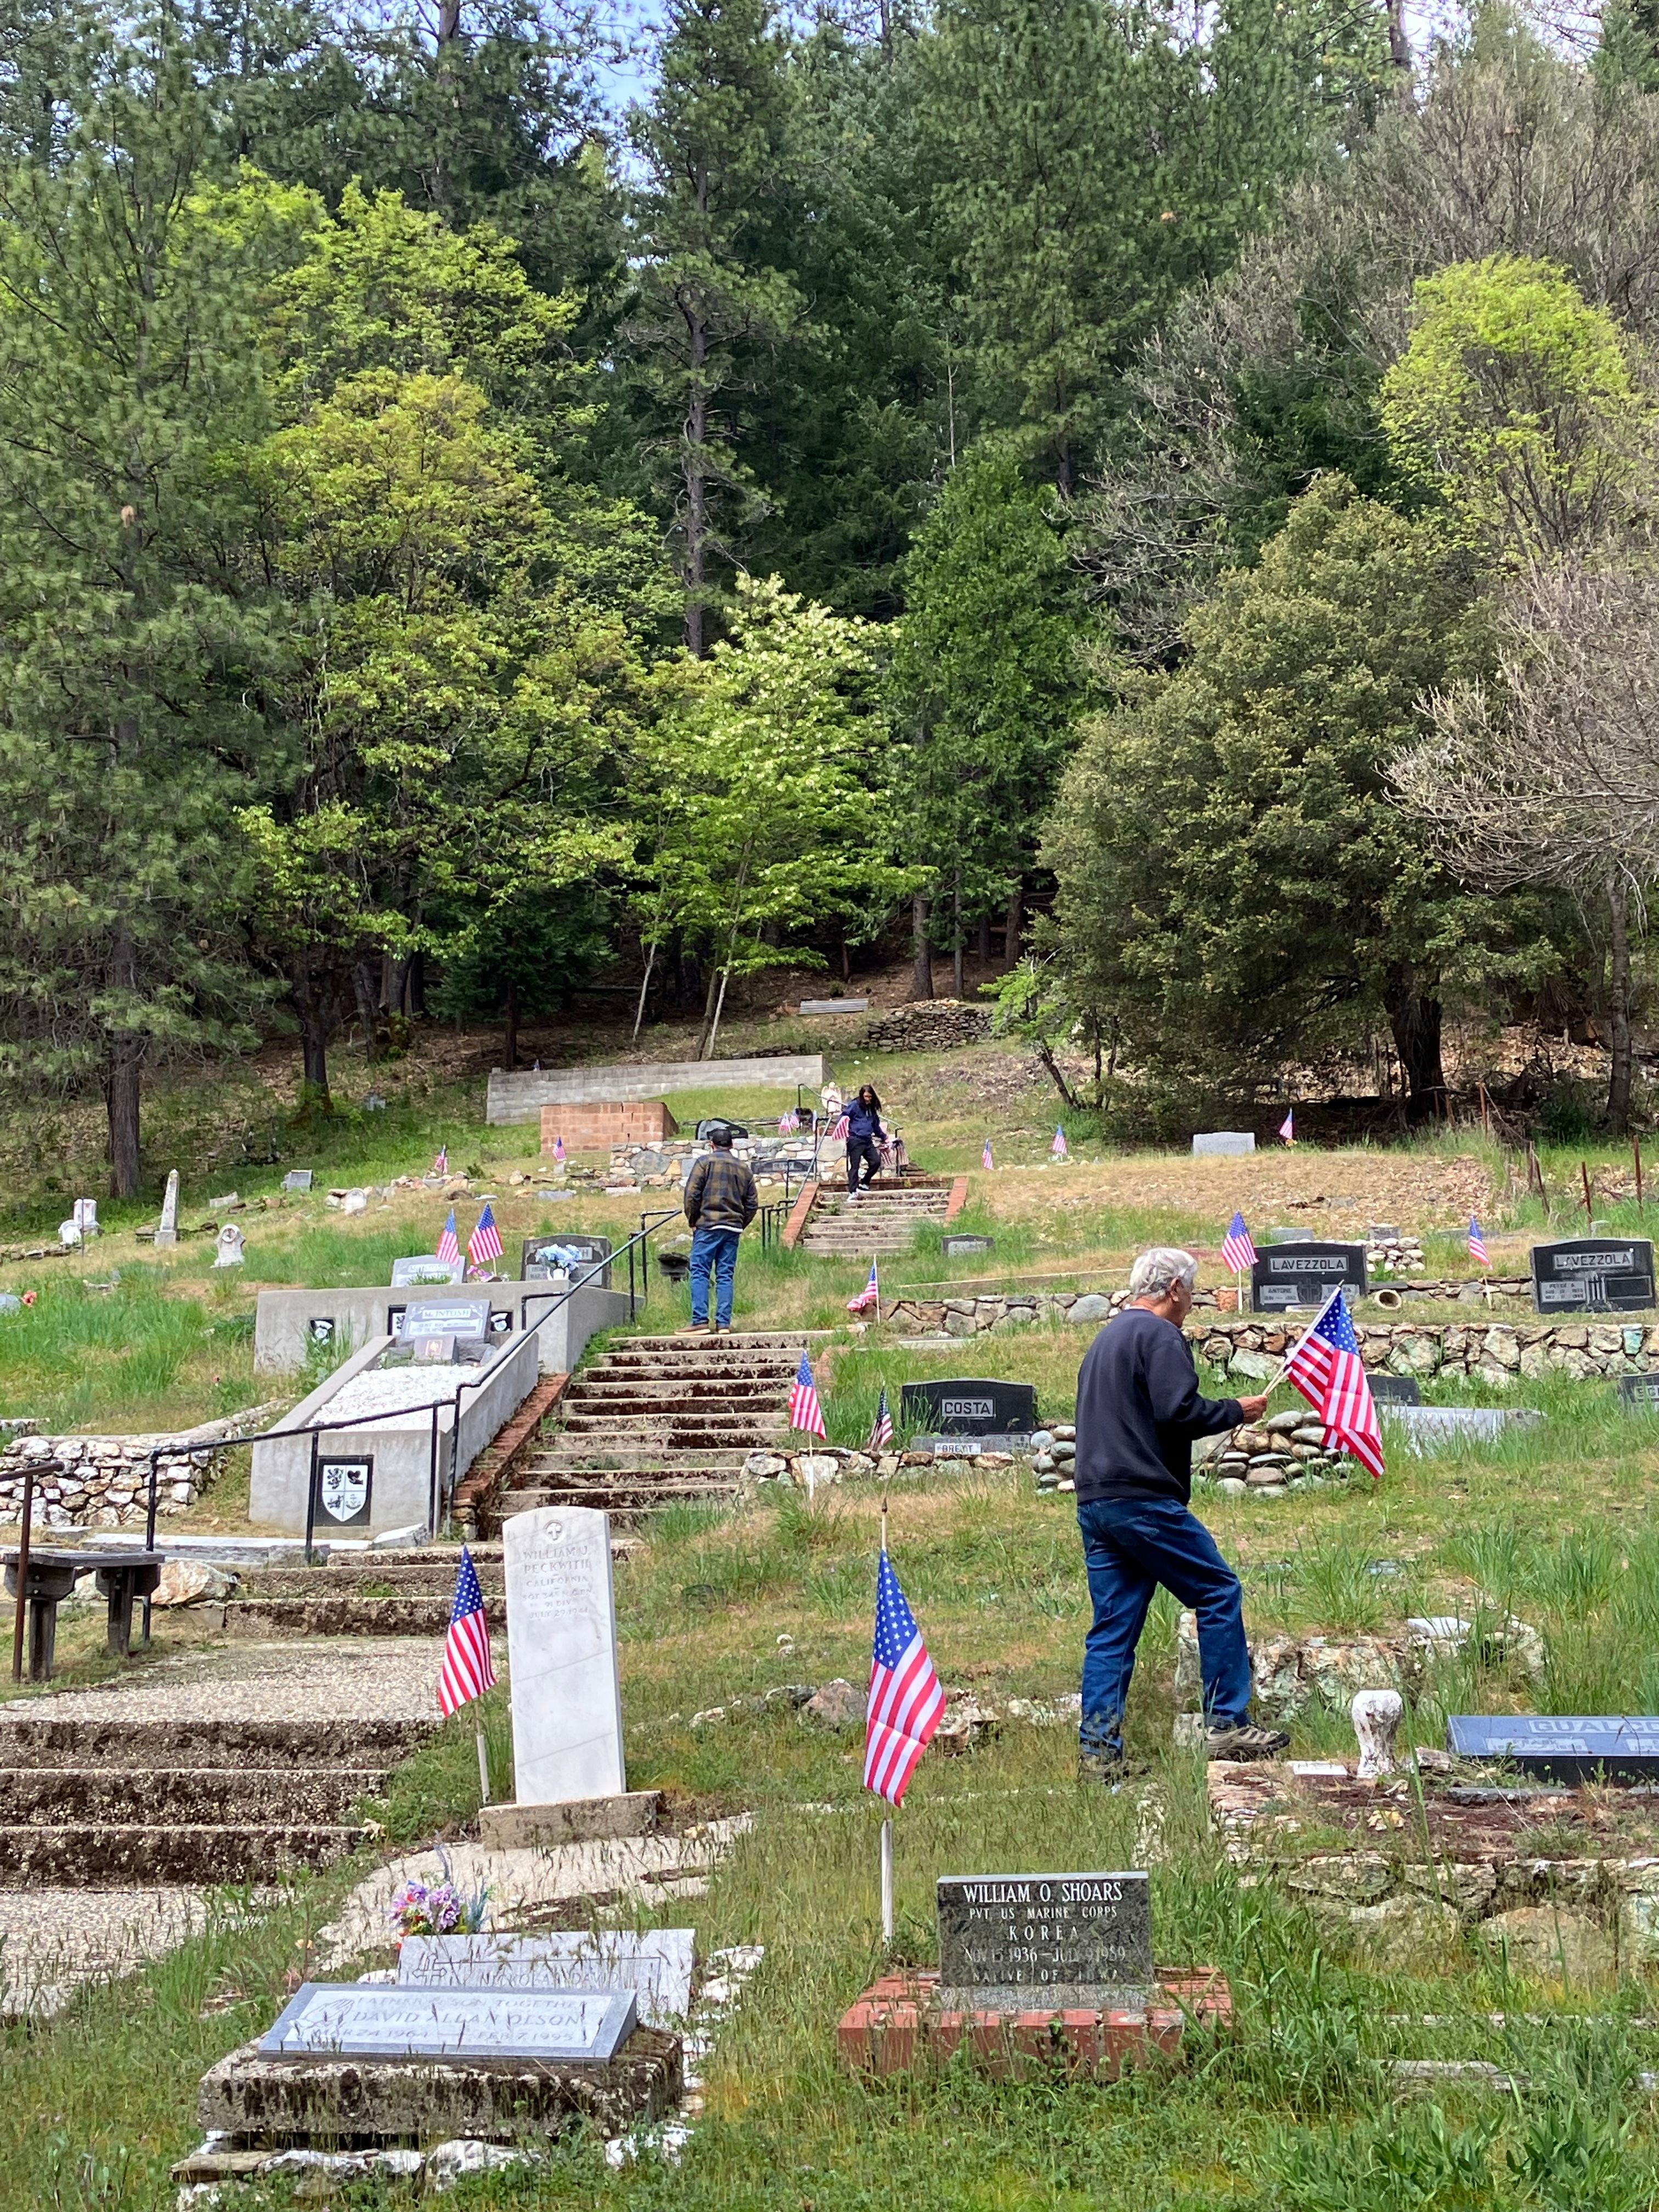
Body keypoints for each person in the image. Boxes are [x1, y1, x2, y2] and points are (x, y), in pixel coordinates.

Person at [1071, 1246, 1289, 1778]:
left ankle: (1099, 1753)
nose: (1192, 1302)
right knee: (1216, 1590)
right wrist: (1238, 1409)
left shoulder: (1104, 1341)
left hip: (1095, 1501)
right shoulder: (1160, 1335)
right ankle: (1227, 1722)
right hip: (1143, 1500)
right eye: (1190, 1291)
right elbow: (1178, 1410)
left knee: (1113, 1627)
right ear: (1172, 1289)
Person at [680, 1124, 758, 1335]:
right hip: (732, 1228)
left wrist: (693, 1219)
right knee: (725, 1275)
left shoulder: (704, 1163)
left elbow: (692, 1194)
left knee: (700, 1272)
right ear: (732, 1145)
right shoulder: (744, 1169)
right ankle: (723, 1324)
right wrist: (740, 1223)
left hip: (707, 1225)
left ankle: (700, 1321)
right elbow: (752, 1204)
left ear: (711, 1144)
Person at [844, 1083, 887, 1197]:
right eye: (866, 1097)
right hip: (855, 1140)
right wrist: (846, 1131)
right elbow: (844, 1117)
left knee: (876, 1162)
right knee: (855, 1166)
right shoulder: (854, 1105)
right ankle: (852, 1191)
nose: (868, 1099)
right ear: (862, 1096)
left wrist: (883, 1137)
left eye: (870, 1097)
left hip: (868, 1141)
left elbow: (875, 1126)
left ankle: (864, 1183)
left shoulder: (872, 1109)